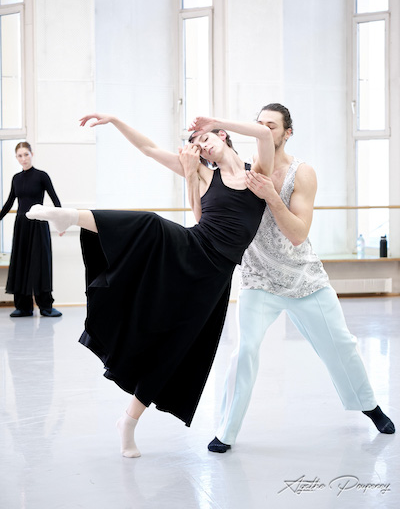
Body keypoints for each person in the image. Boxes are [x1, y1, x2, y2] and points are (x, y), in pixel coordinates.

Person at [25, 113, 274, 458]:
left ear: (221, 135)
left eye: (205, 139)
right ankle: (72, 216)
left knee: (174, 348)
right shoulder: (204, 173)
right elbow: (150, 151)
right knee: (151, 224)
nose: (203, 147)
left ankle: (128, 421)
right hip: (193, 249)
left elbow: (264, 134)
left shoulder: (257, 173)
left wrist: (215, 120)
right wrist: (115, 120)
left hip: (215, 277)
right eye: (198, 146)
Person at [180, 104, 394, 453]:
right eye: (259, 124)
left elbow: (297, 234)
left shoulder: (302, 173)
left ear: (287, 132)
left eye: (272, 125)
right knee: (244, 351)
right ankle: (226, 431)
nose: (264, 130)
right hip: (258, 280)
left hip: (304, 278)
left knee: (341, 344)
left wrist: (270, 196)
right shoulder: (244, 168)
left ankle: (370, 406)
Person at [0, 142, 63, 318]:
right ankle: (23, 307)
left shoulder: (42, 176)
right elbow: (9, 203)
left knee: (40, 263)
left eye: (26, 154)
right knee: (20, 262)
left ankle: (46, 307)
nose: (23, 159)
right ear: (16, 158)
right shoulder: (16, 179)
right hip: (21, 226)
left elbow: (55, 200)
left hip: (38, 224)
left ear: (32, 154)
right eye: (20, 156)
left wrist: (61, 222)